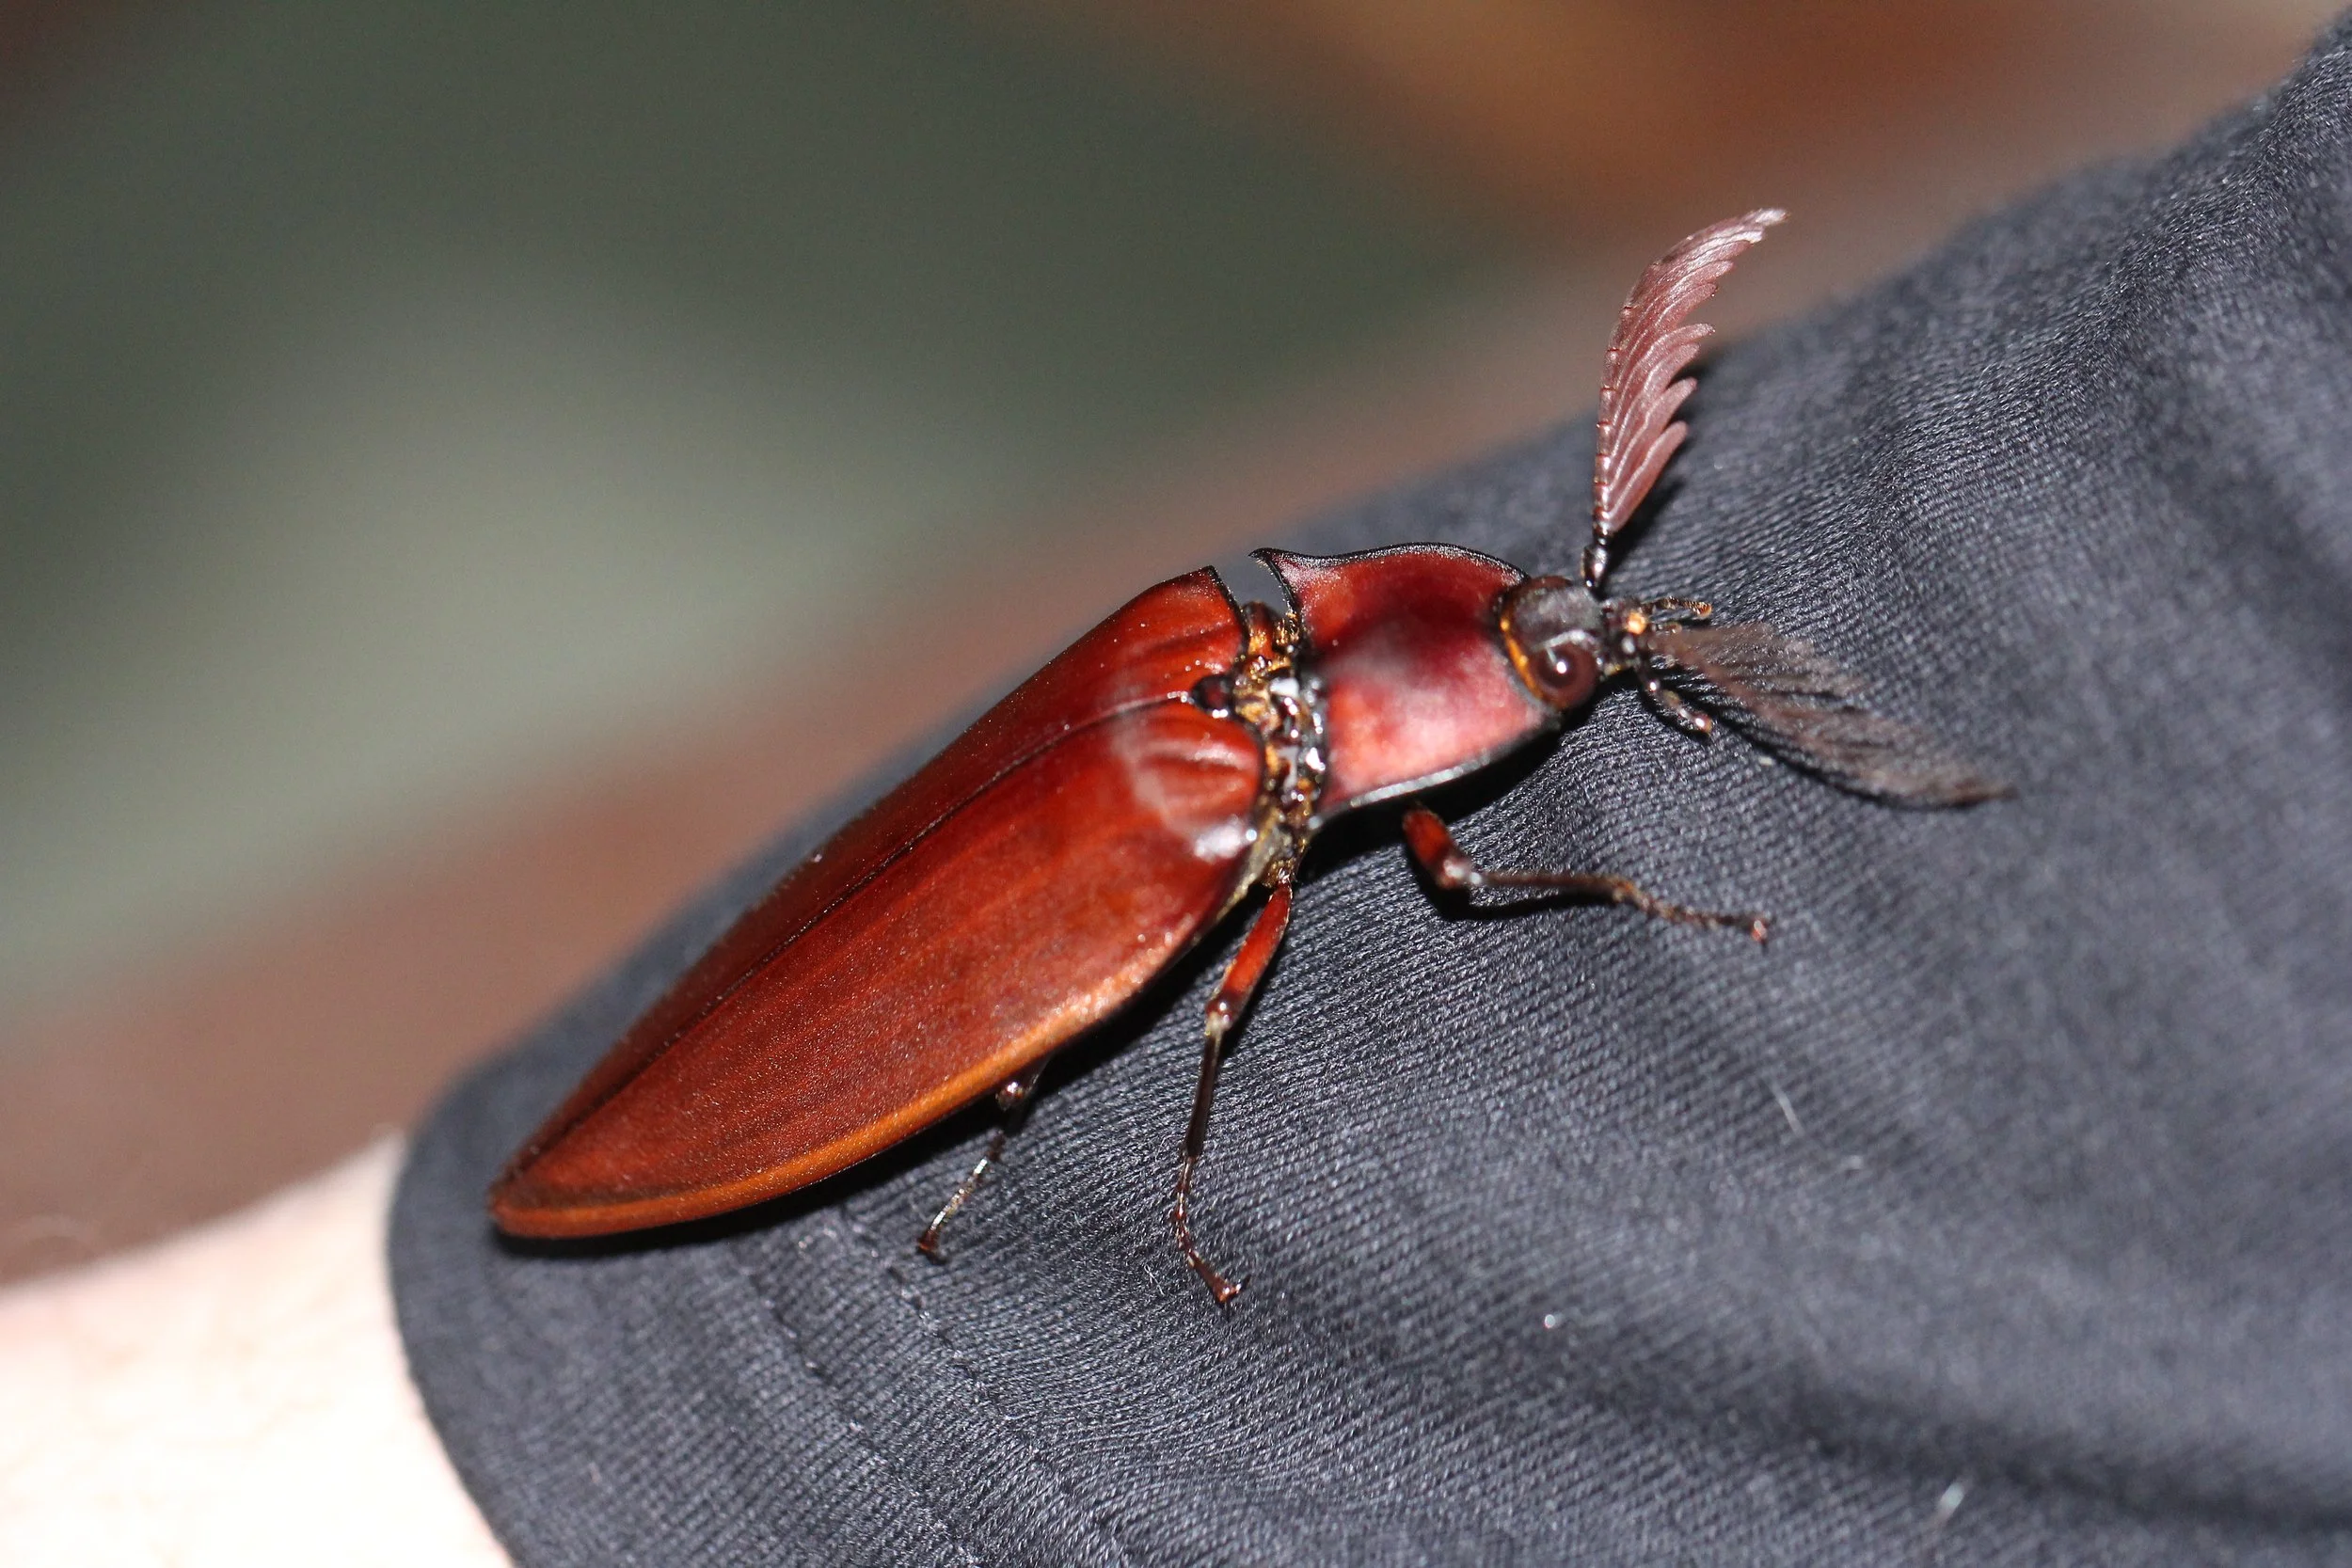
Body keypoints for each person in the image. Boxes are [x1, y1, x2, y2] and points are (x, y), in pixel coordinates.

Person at [10, 19, 2352, 1562]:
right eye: (1554, 632)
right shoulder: (1248, 824)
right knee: (1067, 1037)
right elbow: (1410, 895)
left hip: (695, 1051)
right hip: (745, 1084)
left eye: (1559, 640)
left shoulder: (1217, 635)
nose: (1575, 628)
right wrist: (1638, 899)